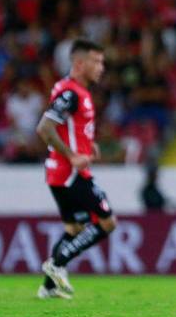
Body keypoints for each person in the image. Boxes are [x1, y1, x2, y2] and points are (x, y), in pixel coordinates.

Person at [36, 39, 117, 299]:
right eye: (96, 61)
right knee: (107, 222)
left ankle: (47, 288)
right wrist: (72, 155)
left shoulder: (71, 89)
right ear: (79, 64)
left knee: (74, 230)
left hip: (59, 172)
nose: (101, 67)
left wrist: (86, 143)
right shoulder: (71, 93)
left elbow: (66, 127)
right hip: (70, 173)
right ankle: (57, 262)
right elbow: (44, 128)